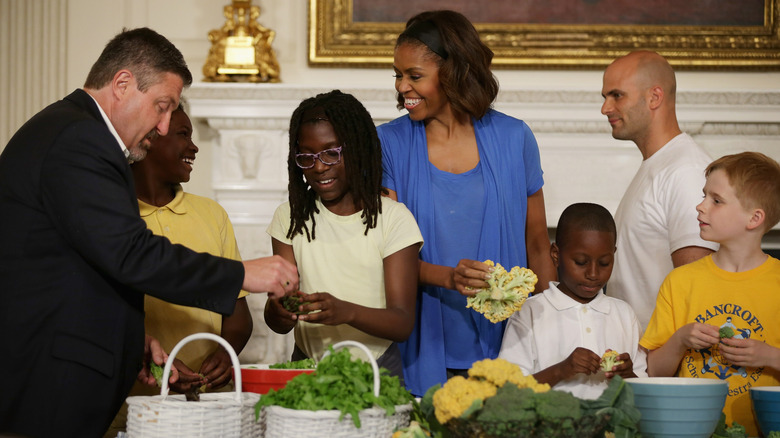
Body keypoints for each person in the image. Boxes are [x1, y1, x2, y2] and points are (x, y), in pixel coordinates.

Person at [0, 28, 298, 438]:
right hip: (47, 383)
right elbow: (131, 252)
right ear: (122, 84)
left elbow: (79, 261)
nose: (162, 126)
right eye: (162, 107)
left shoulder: (72, 131)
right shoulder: (81, 138)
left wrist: (129, 339)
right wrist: (243, 274)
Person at [377, 10, 556, 396]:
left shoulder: (514, 137)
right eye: (397, 74)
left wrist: (550, 330)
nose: (401, 87)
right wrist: (448, 277)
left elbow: (538, 243)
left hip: (510, 345)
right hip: (420, 342)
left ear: (453, 72)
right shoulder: (387, 144)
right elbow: (385, 253)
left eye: (414, 75)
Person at [105, 104, 254, 436]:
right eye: (183, 135)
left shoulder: (212, 214)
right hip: (129, 411)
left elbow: (239, 315)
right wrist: (160, 370)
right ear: (149, 138)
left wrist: (224, 356)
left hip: (206, 413)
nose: (194, 146)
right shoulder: (112, 217)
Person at [264, 90, 423, 380]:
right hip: (307, 365)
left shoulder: (393, 219)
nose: (320, 166)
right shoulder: (290, 216)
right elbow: (277, 323)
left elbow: (402, 323)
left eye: (331, 153)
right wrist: (280, 311)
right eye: (306, 157)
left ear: (357, 149)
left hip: (377, 368)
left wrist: (345, 312)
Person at [640, 151, 780, 436]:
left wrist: (769, 355)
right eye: (704, 196)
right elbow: (653, 372)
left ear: (754, 218)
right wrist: (680, 340)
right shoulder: (680, 281)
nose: (700, 206)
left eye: (716, 200)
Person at [601, 50, 718, 331]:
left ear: (654, 97)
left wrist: (662, 365)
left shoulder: (686, 171)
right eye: (604, 97)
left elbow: (695, 291)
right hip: (640, 362)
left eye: (616, 95)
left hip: (662, 367)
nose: (605, 108)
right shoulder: (660, 165)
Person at [499, 203, 647, 400]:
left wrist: (628, 375)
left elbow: (644, 392)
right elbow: (508, 392)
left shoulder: (624, 314)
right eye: (580, 262)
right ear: (556, 255)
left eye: (604, 263)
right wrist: (561, 370)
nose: (593, 274)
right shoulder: (531, 312)